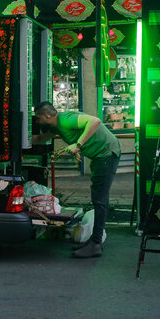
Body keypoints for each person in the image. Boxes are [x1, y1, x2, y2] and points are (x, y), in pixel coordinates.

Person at [33, 101, 121, 258]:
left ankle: (96, 244)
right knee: (99, 197)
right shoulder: (55, 127)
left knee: (100, 199)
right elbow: (40, 138)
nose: (37, 121)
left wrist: (78, 145)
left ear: (47, 115)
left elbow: (95, 121)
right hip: (99, 156)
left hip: (106, 153)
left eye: (38, 118)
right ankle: (95, 240)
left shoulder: (66, 119)